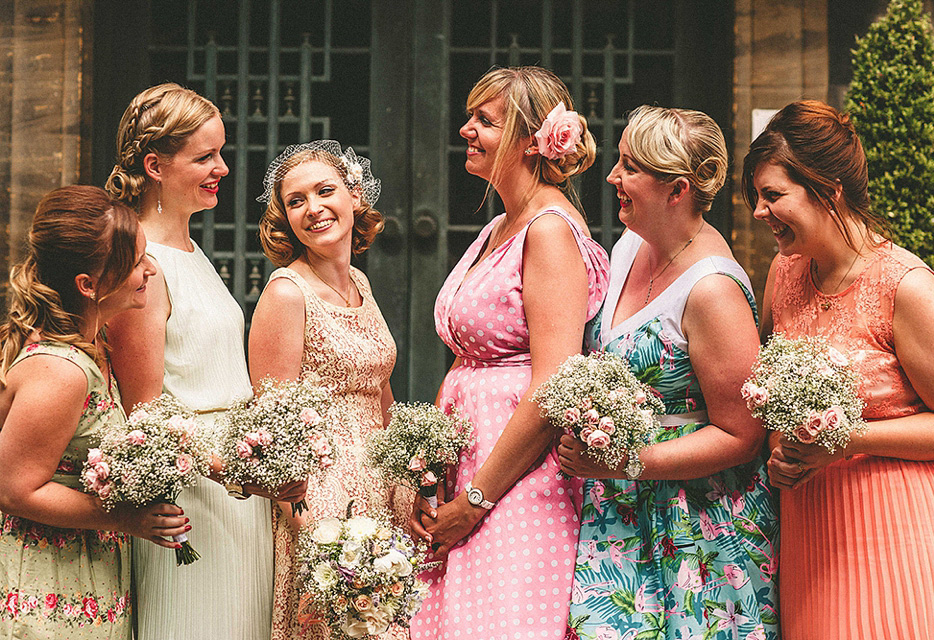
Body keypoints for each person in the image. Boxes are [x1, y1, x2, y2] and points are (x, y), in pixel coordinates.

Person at [558, 106, 779, 640]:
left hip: (695, 531)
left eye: (630, 167)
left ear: (677, 189)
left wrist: (628, 461)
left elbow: (742, 434)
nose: (612, 176)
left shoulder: (713, 290)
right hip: (618, 512)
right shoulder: (631, 244)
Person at [745, 100, 934, 639]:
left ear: (828, 189)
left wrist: (844, 440)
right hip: (810, 529)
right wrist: (781, 451)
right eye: (756, 197)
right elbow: (776, 394)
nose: (758, 212)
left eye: (773, 195)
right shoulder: (785, 272)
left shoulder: (905, 286)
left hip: (897, 527)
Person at [408, 66, 610, 640]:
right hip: (469, 464)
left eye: (485, 121)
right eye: (471, 117)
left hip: (519, 482)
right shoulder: (500, 224)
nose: (467, 129)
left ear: (530, 141)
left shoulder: (547, 230)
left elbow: (554, 384)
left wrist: (475, 500)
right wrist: (430, 469)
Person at [104, 83, 301, 640]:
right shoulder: (141, 262)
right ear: (154, 165)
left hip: (237, 493)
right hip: (192, 497)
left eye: (221, 152)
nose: (222, 167)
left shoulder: (192, 252)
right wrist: (241, 472)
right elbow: (145, 412)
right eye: (204, 156)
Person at [0, 186, 187, 639]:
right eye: (135, 261)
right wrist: (124, 517)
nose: (150, 270)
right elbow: (13, 489)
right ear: (89, 284)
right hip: (49, 591)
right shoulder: (60, 371)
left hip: (89, 577)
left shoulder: (95, 346)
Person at [248, 140, 412, 639]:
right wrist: (311, 535)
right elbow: (270, 431)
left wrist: (411, 481)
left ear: (354, 195)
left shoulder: (359, 281)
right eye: (296, 201)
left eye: (325, 191)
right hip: (320, 502)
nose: (314, 209)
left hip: (380, 490)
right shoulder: (285, 293)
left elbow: (380, 395)